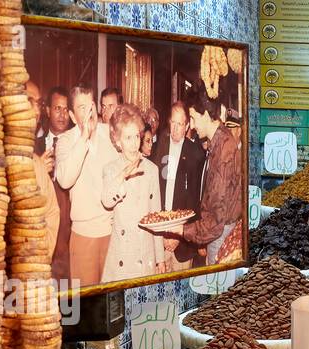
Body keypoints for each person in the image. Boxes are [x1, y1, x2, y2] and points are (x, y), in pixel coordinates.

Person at [56, 85, 117, 288]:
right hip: (83, 237)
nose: (90, 112)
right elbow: (65, 180)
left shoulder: (109, 133)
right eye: (82, 108)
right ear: (72, 116)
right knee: (88, 306)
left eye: (91, 105)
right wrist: (83, 137)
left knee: (112, 302)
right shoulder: (65, 141)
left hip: (112, 232)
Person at [100, 104, 164, 282]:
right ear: (117, 141)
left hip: (146, 253)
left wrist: (160, 259)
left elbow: (156, 217)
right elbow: (106, 200)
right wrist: (123, 175)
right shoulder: (111, 170)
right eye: (128, 138)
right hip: (122, 254)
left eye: (137, 136)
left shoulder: (151, 170)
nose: (135, 143)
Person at [181, 88, 241, 263]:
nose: (191, 126)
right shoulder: (220, 141)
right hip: (221, 232)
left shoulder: (223, 151)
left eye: (193, 118)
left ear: (206, 114)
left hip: (221, 235)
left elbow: (215, 222)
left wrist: (182, 230)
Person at [153, 101, 205, 272]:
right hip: (159, 235)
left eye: (180, 124)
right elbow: (155, 189)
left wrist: (178, 236)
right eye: (173, 123)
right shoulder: (160, 145)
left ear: (187, 125)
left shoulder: (196, 153)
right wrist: (161, 233)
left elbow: (195, 202)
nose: (175, 129)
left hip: (182, 241)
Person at [45, 85, 73, 282]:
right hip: (43, 234)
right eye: (57, 108)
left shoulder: (77, 146)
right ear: (47, 110)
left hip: (69, 237)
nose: (62, 115)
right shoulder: (33, 146)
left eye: (65, 109)